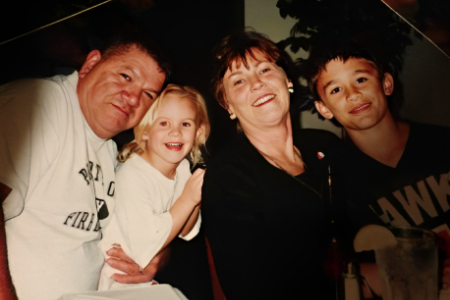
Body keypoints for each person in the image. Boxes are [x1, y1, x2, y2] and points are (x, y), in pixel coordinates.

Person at [0, 29, 171, 300]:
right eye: (125, 76)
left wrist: (156, 252)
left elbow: (138, 219)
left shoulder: (109, 150)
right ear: (90, 65)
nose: (134, 98)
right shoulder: (36, 104)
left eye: (149, 94)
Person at [202, 31, 339, 299]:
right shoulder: (229, 177)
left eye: (265, 69)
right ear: (228, 105)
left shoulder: (328, 146)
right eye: (238, 80)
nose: (256, 83)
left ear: (287, 80)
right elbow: (248, 288)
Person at [306, 41, 450, 296]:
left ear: (386, 84)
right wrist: (426, 274)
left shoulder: (442, 143)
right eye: (336, 89)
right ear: (323, 109)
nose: (352, 94)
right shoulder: (331, 180)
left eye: (360, 79)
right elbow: (335, 269)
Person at [98, 84, 210, 290]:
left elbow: (185, 230)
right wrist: (188, 198)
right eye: (164, 123)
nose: (175, 132)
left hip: (141, 274)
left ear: (198, 131)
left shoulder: (183, 167)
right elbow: (146, 245)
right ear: (145, 130)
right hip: (113, 278)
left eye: (185, 124)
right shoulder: (133, 175)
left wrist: (196, 199)